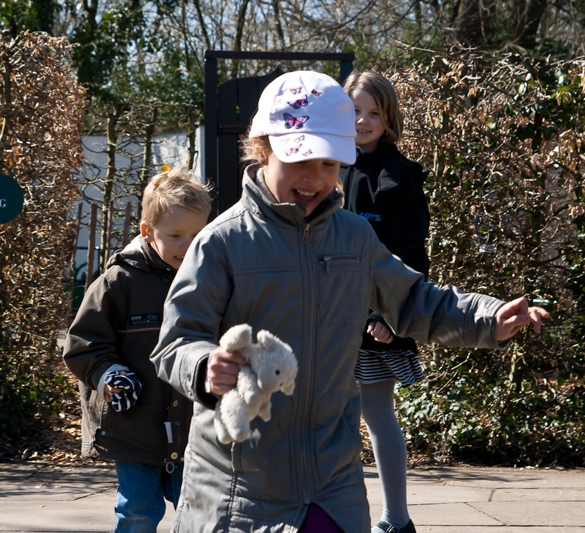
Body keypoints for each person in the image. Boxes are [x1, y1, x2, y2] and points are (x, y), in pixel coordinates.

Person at [150, 70, 549, 533]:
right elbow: (178, 340)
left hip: (332, 483)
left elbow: (415, 298)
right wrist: (203, 366)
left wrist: (487, 317)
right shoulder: (222, 243)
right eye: (299, 160)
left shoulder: (355, 238)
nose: (314, 178)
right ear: (262, 149)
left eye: (329, 164)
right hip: (240, 487)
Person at [63, 165, 211, 533]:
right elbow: (84, 344)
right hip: (134, 426)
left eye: (197, 234)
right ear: (147, 232)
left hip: (194, 429)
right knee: (138, 511)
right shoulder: (118, 282)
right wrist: (108, 374)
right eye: (175, 235)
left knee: (199, 514)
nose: (187, 245)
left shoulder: (212, 279)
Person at [340, 70, 430, 533]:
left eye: (374, 113)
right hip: (326, 318)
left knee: (376, 414)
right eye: (355, 110)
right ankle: (332, 514)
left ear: (389, 117)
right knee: (328, 418)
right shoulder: (322, 169)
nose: (363, 120)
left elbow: (411, 255)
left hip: (376, 322)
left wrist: (388, 316)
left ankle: (396, 519)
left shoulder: (402, 178)